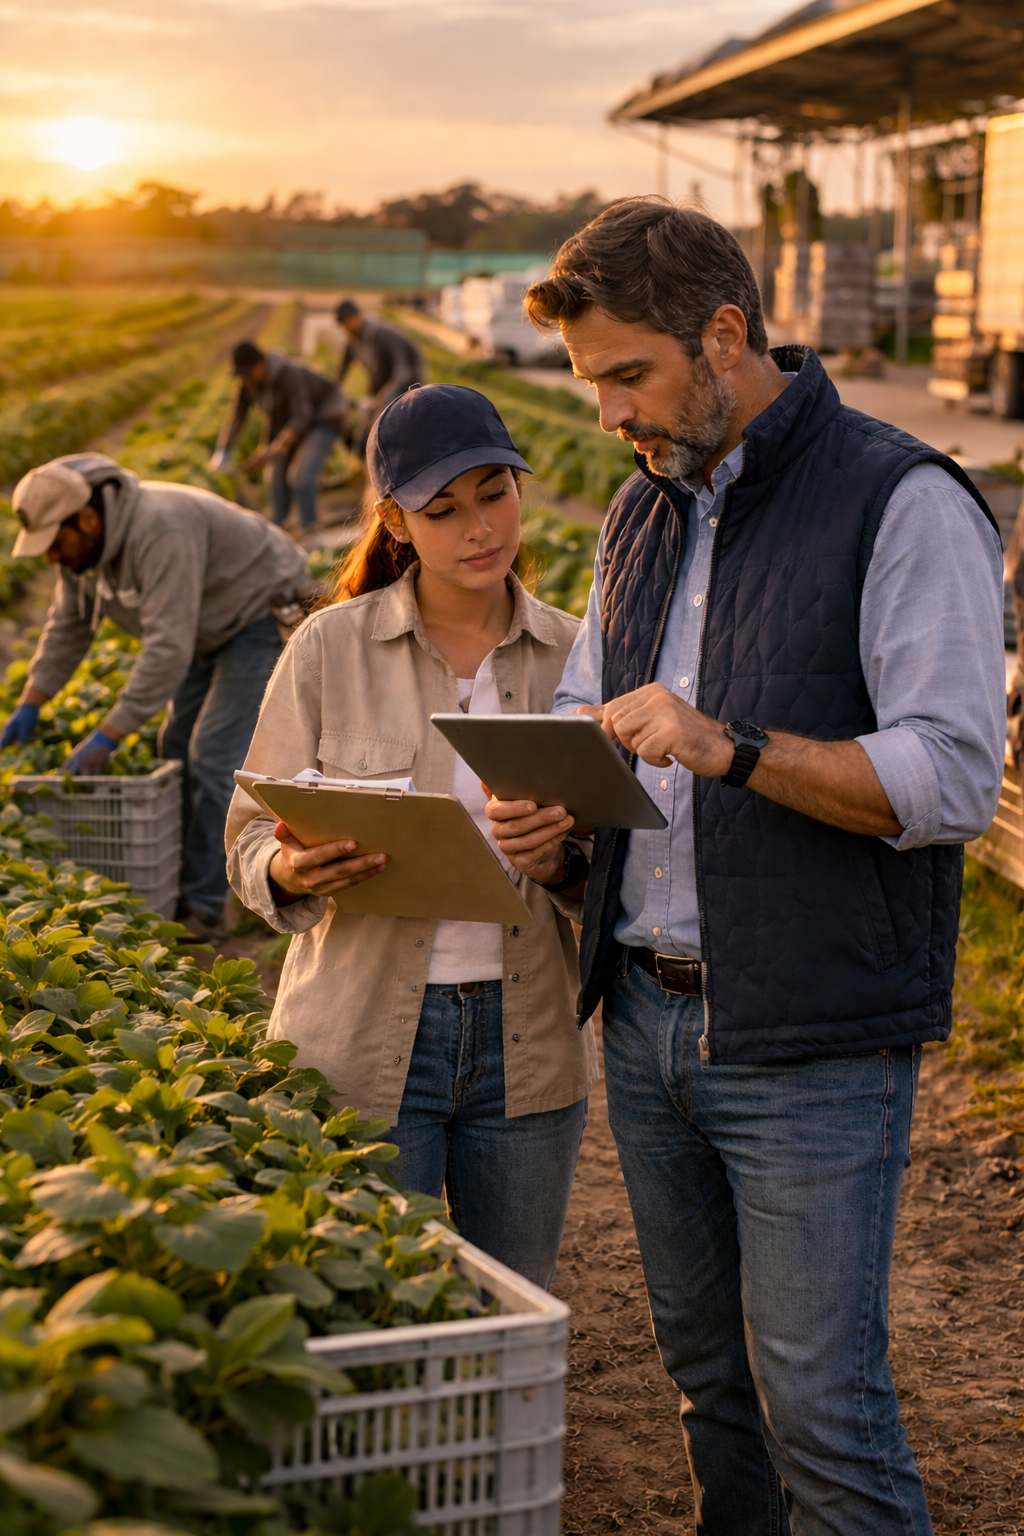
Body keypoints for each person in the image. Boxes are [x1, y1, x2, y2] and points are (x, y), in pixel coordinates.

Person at [485, 199, 1006, 1532]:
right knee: (709, 1385)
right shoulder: (643, 511)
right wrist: (555, 806)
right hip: (651, 1017)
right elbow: (589, 705)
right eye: (592, 382)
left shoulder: (901, 500)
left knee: (823, 1412)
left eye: (627, 377)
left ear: (723, 338)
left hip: (810, 1041)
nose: (608, 415)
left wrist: (730, 746)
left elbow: (952, 780)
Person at [225, 383, 597, 1288]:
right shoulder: (328, 649)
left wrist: (562, 863)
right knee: (382, 1305)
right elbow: (244, 839)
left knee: (514, 1306)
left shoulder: (578, 655)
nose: (479, 528)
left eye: (494, 494)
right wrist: (293, 868)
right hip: (358, 1037)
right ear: (395, 522)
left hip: (528, 1042)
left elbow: (625, 871)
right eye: (443, 510)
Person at [2, 452, 310, 944]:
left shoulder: (160, 529)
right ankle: (185, 875)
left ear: (84, 518)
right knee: (175, 745)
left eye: (54, 542)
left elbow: (167, 648)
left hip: (256, 613)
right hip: (202, 626)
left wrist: (109, 733)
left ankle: (208, 907)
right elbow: (68, 627)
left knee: (211, 758)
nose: (50, 557)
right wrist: (31, 701)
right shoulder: (83, 550)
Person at [212, 340, 345, 532]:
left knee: (300, 476)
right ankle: (279, 526)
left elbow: (302, 417)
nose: (246, 378)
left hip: (324, 418)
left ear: (261, 362)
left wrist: (274, 448)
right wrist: (223, 450)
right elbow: (238, 416)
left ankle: (310, 529)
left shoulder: (288, 374)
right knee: (274, 475)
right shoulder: (249, 382)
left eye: (249, 372)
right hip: (294, 423)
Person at [335, 299, 423, 454]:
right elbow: (340, 373)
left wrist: (382, 399)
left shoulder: (382, 335)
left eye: (345, 323)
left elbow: (403, 373)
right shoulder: (354, 342)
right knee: (362, 435)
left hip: (404, 389)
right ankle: (364, 469)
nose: (345, 329)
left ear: (355, 317)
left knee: (382, 433)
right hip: (381, 391)